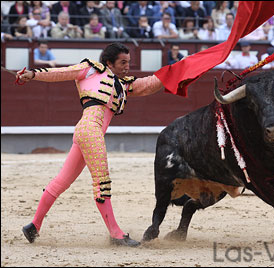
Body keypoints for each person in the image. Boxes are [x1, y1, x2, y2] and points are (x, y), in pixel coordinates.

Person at [17, 42, 165, 247]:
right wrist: (33, 74)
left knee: (61, 181)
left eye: (129, 62)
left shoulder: (123, 84)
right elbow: (59, 73)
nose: (127, 67)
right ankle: (116, 234)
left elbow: (150, 84)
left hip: (86, 132)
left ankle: (33, 225)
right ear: (109, 63)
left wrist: (175, 72)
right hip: (90, 130)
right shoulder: (90, 70)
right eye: (122, 62)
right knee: (101, 182)